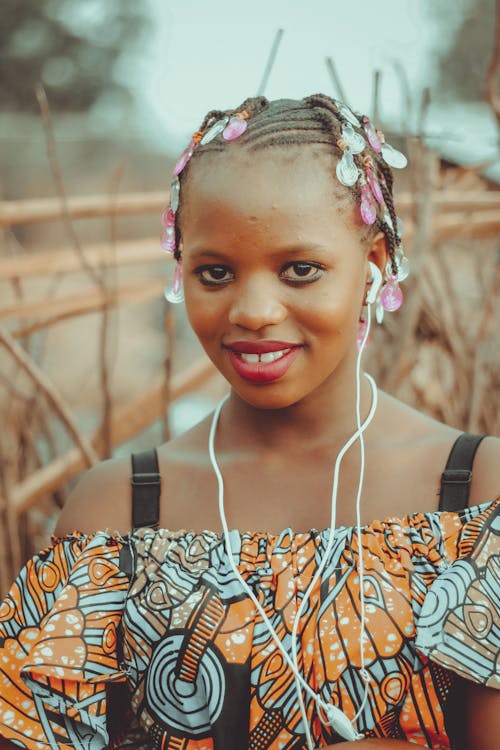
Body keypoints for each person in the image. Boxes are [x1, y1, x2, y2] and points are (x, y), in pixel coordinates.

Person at [0, 94, 498, 750]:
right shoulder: (117, 513)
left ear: (373, 265)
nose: (255, 310)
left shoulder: (472, 494)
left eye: (300, 270)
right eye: (215, 272)